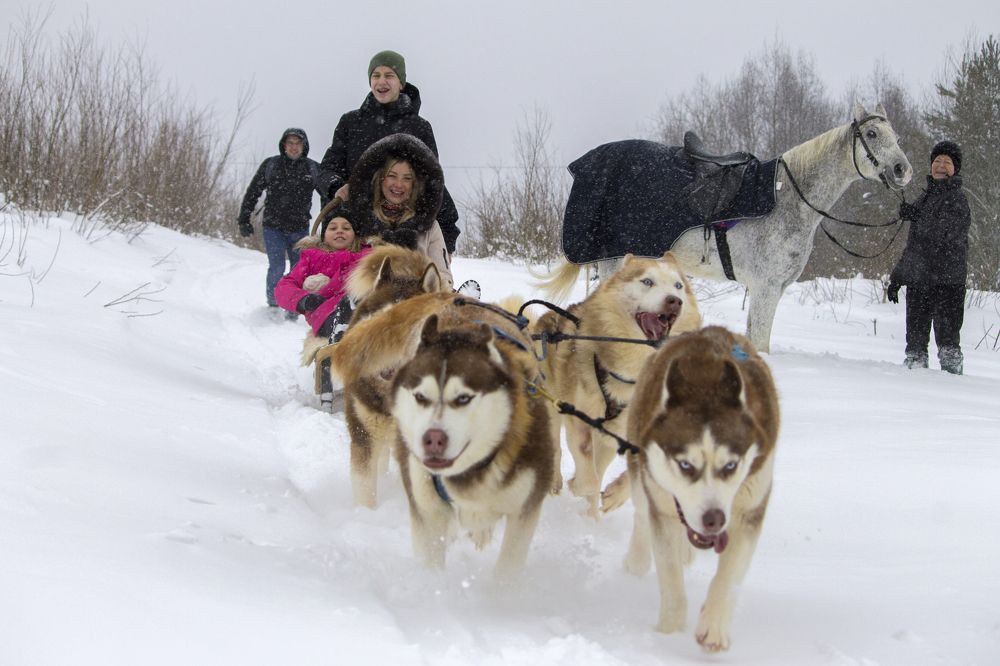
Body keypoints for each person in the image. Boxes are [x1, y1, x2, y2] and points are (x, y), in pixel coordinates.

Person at [317, 49, 461, 255]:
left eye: (389, 75)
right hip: (356, 229)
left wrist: (446, 239)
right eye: (376, 75)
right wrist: (336, 186)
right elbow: (327, 169)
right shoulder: (351, 123)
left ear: (401, 83)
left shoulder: (419, 127)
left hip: (402, 230)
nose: (381, 81)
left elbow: (432, 183)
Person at [887, 140, 971, 374]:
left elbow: (946, 235)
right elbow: (914, 247)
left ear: (955, 168)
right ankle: (914, 382)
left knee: (948, 346)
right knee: (914, 345)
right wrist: (898, 277)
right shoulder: (924, 198)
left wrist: (918, 216)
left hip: (947, 282)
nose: (941, 165)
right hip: (919, 281)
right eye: (937, 161)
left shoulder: (957, 199)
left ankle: (952, 388)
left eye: (947, 162)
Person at [274, 208, 371, 409]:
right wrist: (304, 300)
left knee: (359, 299)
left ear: (355, 233)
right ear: (324, 234)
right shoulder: (311, 258)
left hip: (363, 309)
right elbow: (284, 287)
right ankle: (340, 332)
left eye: (346, 227)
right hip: (325, 314)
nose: (339, 231)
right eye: (333, 227)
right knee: (346, 305)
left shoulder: (366, 256)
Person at [348, 133, 454, 289]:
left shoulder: (430, 227)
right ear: (381, 179)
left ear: (414, 184)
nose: (399, 184)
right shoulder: (359, 221)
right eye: (392, 176)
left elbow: (442, 274)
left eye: (407, 178)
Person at [238, 128, 322, 320]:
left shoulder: (312, 168)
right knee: (276, 267)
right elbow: (253, 192)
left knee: (298, 270)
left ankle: (292, 308)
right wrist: (244, 218)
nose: (294, 147)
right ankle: (273, 305)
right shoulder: (271, 165)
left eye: (298, 143)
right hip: (273, 227)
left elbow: (328, 194)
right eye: (290, 143)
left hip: (300, 230)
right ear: (283, 145)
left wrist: (332, 223)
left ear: (304, 146)